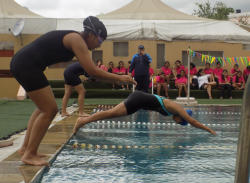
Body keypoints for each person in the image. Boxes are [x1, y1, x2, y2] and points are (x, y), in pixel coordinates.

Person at [10, 16, 136, 166]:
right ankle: (30, 155)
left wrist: (117, 79)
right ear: (91, 35)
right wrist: (121, 78)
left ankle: (26, 149)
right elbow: (93, 72)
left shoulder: (75, 38)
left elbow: (91, 72)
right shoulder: (77, 40)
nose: (98, 46)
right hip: (27, 65)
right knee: (49, 110)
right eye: (100, 41)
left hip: (24, 63)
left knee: (42, 108)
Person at [74, 91, 217, 135]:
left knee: (111, 113)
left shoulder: (173, 111)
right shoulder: (177, 108)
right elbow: (194, 122)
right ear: (182, 117)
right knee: (110, 114)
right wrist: (210, 130)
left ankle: (83, 120)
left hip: (139, 100)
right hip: (138, 100)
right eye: (181, 122)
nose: (178, 122)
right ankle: (82, 121)